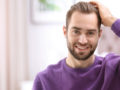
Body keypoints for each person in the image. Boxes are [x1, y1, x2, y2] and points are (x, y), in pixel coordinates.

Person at [33, 1, 120, 90]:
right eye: (76, 31)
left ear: (99, 35)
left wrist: (111, 20)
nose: (82, 41)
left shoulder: (113, 70)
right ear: (65, 32)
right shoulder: (44, 81)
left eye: (90, 33)